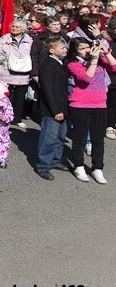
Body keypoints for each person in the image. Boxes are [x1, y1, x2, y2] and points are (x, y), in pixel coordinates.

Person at [66, 37, 116, 184]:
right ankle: (78, 165)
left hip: (100, 105)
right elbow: (86, 78)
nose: (87, 51)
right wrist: (93, 61)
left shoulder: (99, 60)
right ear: (75, 51)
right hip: (80, 105)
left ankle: (97, 168)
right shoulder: (73, 64)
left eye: (88, 47)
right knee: (80, 138)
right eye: (82, 48)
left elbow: (114, 67)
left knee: (98, 140)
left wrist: (105, 53)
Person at [35, 37, 70, 181]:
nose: (65, 50)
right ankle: (43, 166)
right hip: (52, 109)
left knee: (60, 137)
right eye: (62, 48)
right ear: (52, 50)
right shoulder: (48, 65)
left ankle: (55, 160)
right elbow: (48, 90)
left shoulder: (60, 63)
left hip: (62, 107)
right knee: (48, 138)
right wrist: (56, 111)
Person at [0, 19, 33, 128]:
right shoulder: (4, 39)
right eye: (13, 26)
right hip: (7, 72)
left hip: (23, 73)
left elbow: (32, 54)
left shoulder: (30, 40)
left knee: (20, 99)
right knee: (4, 97)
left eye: (17, 27)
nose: (14, 28)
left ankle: (17, 118)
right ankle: (3, 117)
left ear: (23, 29)